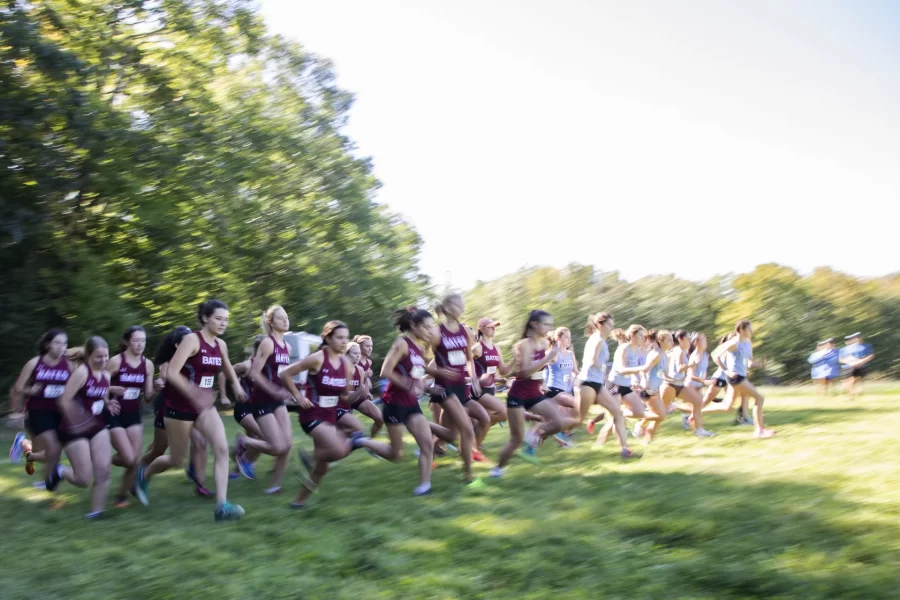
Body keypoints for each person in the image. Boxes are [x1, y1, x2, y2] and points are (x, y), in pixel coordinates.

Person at [136, 299, 247, 521]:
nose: (223, 323)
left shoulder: (220, 345)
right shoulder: (191, 340)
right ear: (205, 318)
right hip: (179, 407)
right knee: (177, 460)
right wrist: (192, 390)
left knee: (222, 449)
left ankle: (222, 507)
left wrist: (237, 387)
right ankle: (144, 474)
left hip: (204, 407)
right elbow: (172, 373)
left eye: (226, 320)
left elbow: (226, 366)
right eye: (218, 319)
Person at [280, 321, 393, 508]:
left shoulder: (347, 366)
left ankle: (298, 502)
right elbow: (285, 374)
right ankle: (360, 441)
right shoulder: (317, 358)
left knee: (321, 468)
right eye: (339, 338)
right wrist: (299, 397)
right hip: (312, 415)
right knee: (339, 450)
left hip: (330, 416)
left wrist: (361, 392)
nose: (343, 342)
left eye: (345, 338)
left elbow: (345, 397)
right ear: (328, 338)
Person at [491, 310, 579, 477]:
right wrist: (547, 358)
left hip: (534, 394)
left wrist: (543, 383)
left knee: (559, 423)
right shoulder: (524, 344)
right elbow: (523, 373)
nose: (548, 328)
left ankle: (533, 436)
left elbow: (539, 372)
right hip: (517, 395)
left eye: (550, 325)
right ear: (534, 324)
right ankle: (497, 469)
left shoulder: (544, 344)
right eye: (545, 324)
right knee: (515, 440)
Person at [49, 336, 115, 519]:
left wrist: (108, 403)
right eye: (98, 357)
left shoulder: (106, 375)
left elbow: (100, 395)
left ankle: (96, 513)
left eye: (106, 356)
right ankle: (60, 471)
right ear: (88, 356)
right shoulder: (81, 373)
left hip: (97, 426)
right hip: (74, 429)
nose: (103, 360)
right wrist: (81, 419)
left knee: (104, 469)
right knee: (84, 479)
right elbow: (63, 400)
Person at [234, 305, 295, 494]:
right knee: (277, 446)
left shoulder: (288, 346)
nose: (285, 321)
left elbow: (282, 375)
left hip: (277, 400)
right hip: (262, 400)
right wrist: (273, 390)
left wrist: (291, 391)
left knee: (288, 444)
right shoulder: (268, 343)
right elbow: (254, 373)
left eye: (286, 317)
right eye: (280, 318)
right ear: (271, 323)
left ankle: (275, 486)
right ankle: (244, 441)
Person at [429, 294, 486, 483]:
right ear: (448, 307)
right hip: (445, 389)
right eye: (458, 304)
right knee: (467, 429)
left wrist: (474, 377)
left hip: (463, 387)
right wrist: (439, 372)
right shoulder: (437, 333)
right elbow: (421, 360)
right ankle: (468, 476)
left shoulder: (465, 331)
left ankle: (424, 436)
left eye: (463, 304)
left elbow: (469, 359)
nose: (463, 307)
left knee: (451, 433)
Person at [9, 329, 71, 486]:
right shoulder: (35, 363)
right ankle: (48, 482)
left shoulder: (68, 365)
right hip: (38, 411)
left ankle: (24, 444)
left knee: (44, 451)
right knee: (54, 448)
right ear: (47, 344)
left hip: (58, 412)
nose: (61, 347)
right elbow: (18, 388)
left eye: (64, 343)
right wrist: (30, 390)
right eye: (57, 343)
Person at [104, 326, 156, 507]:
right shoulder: (116, 362)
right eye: (136, 340)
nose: (140, 344)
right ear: (126, 342)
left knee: (134, 460)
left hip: (133, 413)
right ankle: (102, 458)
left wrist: (157, 388)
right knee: (128, 459)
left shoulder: (148, 364)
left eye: (143, 340)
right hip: (114, 413)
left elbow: (148, 397)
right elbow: (97, 383)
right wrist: (109, 396)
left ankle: (121, 496)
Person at [576, 314, 634, 458]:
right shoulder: (597, 340)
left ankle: (625, 450)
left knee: (618, 413)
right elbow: (591, 361)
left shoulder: (600, 340)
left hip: (597, 385)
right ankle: (540, 432)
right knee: (577, 421)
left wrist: (603, 374)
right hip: (587, 384)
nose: (612, 328)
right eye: (609, 325)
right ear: (601, 325)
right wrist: (604, 369)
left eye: (612, 325)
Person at [711, 319, 775, 439]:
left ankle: (697, 412)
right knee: (759, 397)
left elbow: (749, 363)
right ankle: (759, 430)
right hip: (736, 377)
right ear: (741, 329)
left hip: (741, 376)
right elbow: (715, 355)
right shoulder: (734, 342)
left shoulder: (748, 342)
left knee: (727, 407)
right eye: (749, 329)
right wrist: (726, 371)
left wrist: (760, 365)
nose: (751, 331)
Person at [470, 317, 512, 450]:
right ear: (482, 329)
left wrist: (516, 361)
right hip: (478, 390)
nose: (494, 329)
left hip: (490, 389)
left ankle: (473, 446)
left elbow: (503, 370)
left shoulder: (497, 348)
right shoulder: (476, 348)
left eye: (495, 327)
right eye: (491, 327)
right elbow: (464, 366)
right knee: (504, 412)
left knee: (486, 420)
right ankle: (472, 441)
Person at [662, 330, 714, 438]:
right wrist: (692, 364)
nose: (690, 341)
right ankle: (640, 425)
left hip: (679, 384)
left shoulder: (678, 350)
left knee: (698, 402)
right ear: (681, 339)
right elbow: (681, 367)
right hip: (671, 386)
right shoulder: (679, 351)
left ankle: (699, 430)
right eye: (688, 339)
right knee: (660, 413)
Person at [543, 326, 579, 445]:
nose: (569, 340)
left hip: (564, 390)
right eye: (566, 337)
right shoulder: (552, 353)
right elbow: (540, 368)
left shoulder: (570, 354)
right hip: (552, 390)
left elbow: (576, 371)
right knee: (577, 405)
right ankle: (564, 434)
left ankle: (539, 438)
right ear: (558, 338)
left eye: (570, 337)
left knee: (548, 423)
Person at [839, 333, 874, 397]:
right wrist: (849, 362)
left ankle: (852, 392)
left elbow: (871, 355)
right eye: (856, 338)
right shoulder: (846, 348)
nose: (857, 339)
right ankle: (852, 393)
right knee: (851, 381)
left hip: (861, 366)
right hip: (848, 367)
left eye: (858, 337)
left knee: (857, 380)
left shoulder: (867, 346)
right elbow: (841, 359)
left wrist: (861, 362)